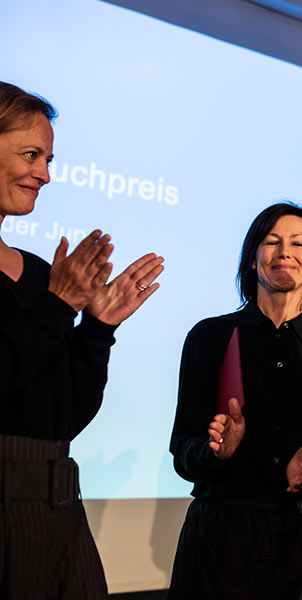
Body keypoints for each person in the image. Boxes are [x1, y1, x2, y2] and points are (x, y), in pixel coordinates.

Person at [0, 81, 164, 598]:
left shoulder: (37, 275)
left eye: (48, 159)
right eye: (31, 155)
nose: (44, 175)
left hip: (59, 507)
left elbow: (66, 414)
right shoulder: (51, 290)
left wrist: (97, 329)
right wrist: (58, 305)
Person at [168, 203, 302, 600]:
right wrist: (218, 453)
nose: (285, 252)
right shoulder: (209, 338)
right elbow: (182, 454)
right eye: (271, 241)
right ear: (252, 259)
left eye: (298, 243)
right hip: (220, 538)